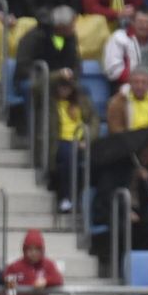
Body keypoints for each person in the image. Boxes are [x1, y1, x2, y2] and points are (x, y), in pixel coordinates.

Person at [46, 69, 94, 212]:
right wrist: (57, 74)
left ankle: (81, 199)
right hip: (59, 141)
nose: (64, 89)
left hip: (80, 141)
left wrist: (87, 139)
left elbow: (94, 121)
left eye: (67, 86)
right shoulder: (49, 101)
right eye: (61, 85)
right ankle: (66, 197)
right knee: (69, 155)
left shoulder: (82, 101)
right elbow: (37, 86)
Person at [103, 8, 148, 89]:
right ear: (132, 22)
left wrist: (147, 81)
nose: (144, 26)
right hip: (124, 84)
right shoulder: (119, 38)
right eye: (140, 22)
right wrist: (137, 81)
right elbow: (113, 70)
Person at [106, 64, 148, 133]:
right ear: (130, 83)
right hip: (127, 140)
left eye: (144, 82)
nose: (140, 86)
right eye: (136, 82)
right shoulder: (117, 102)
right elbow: (115, 128)